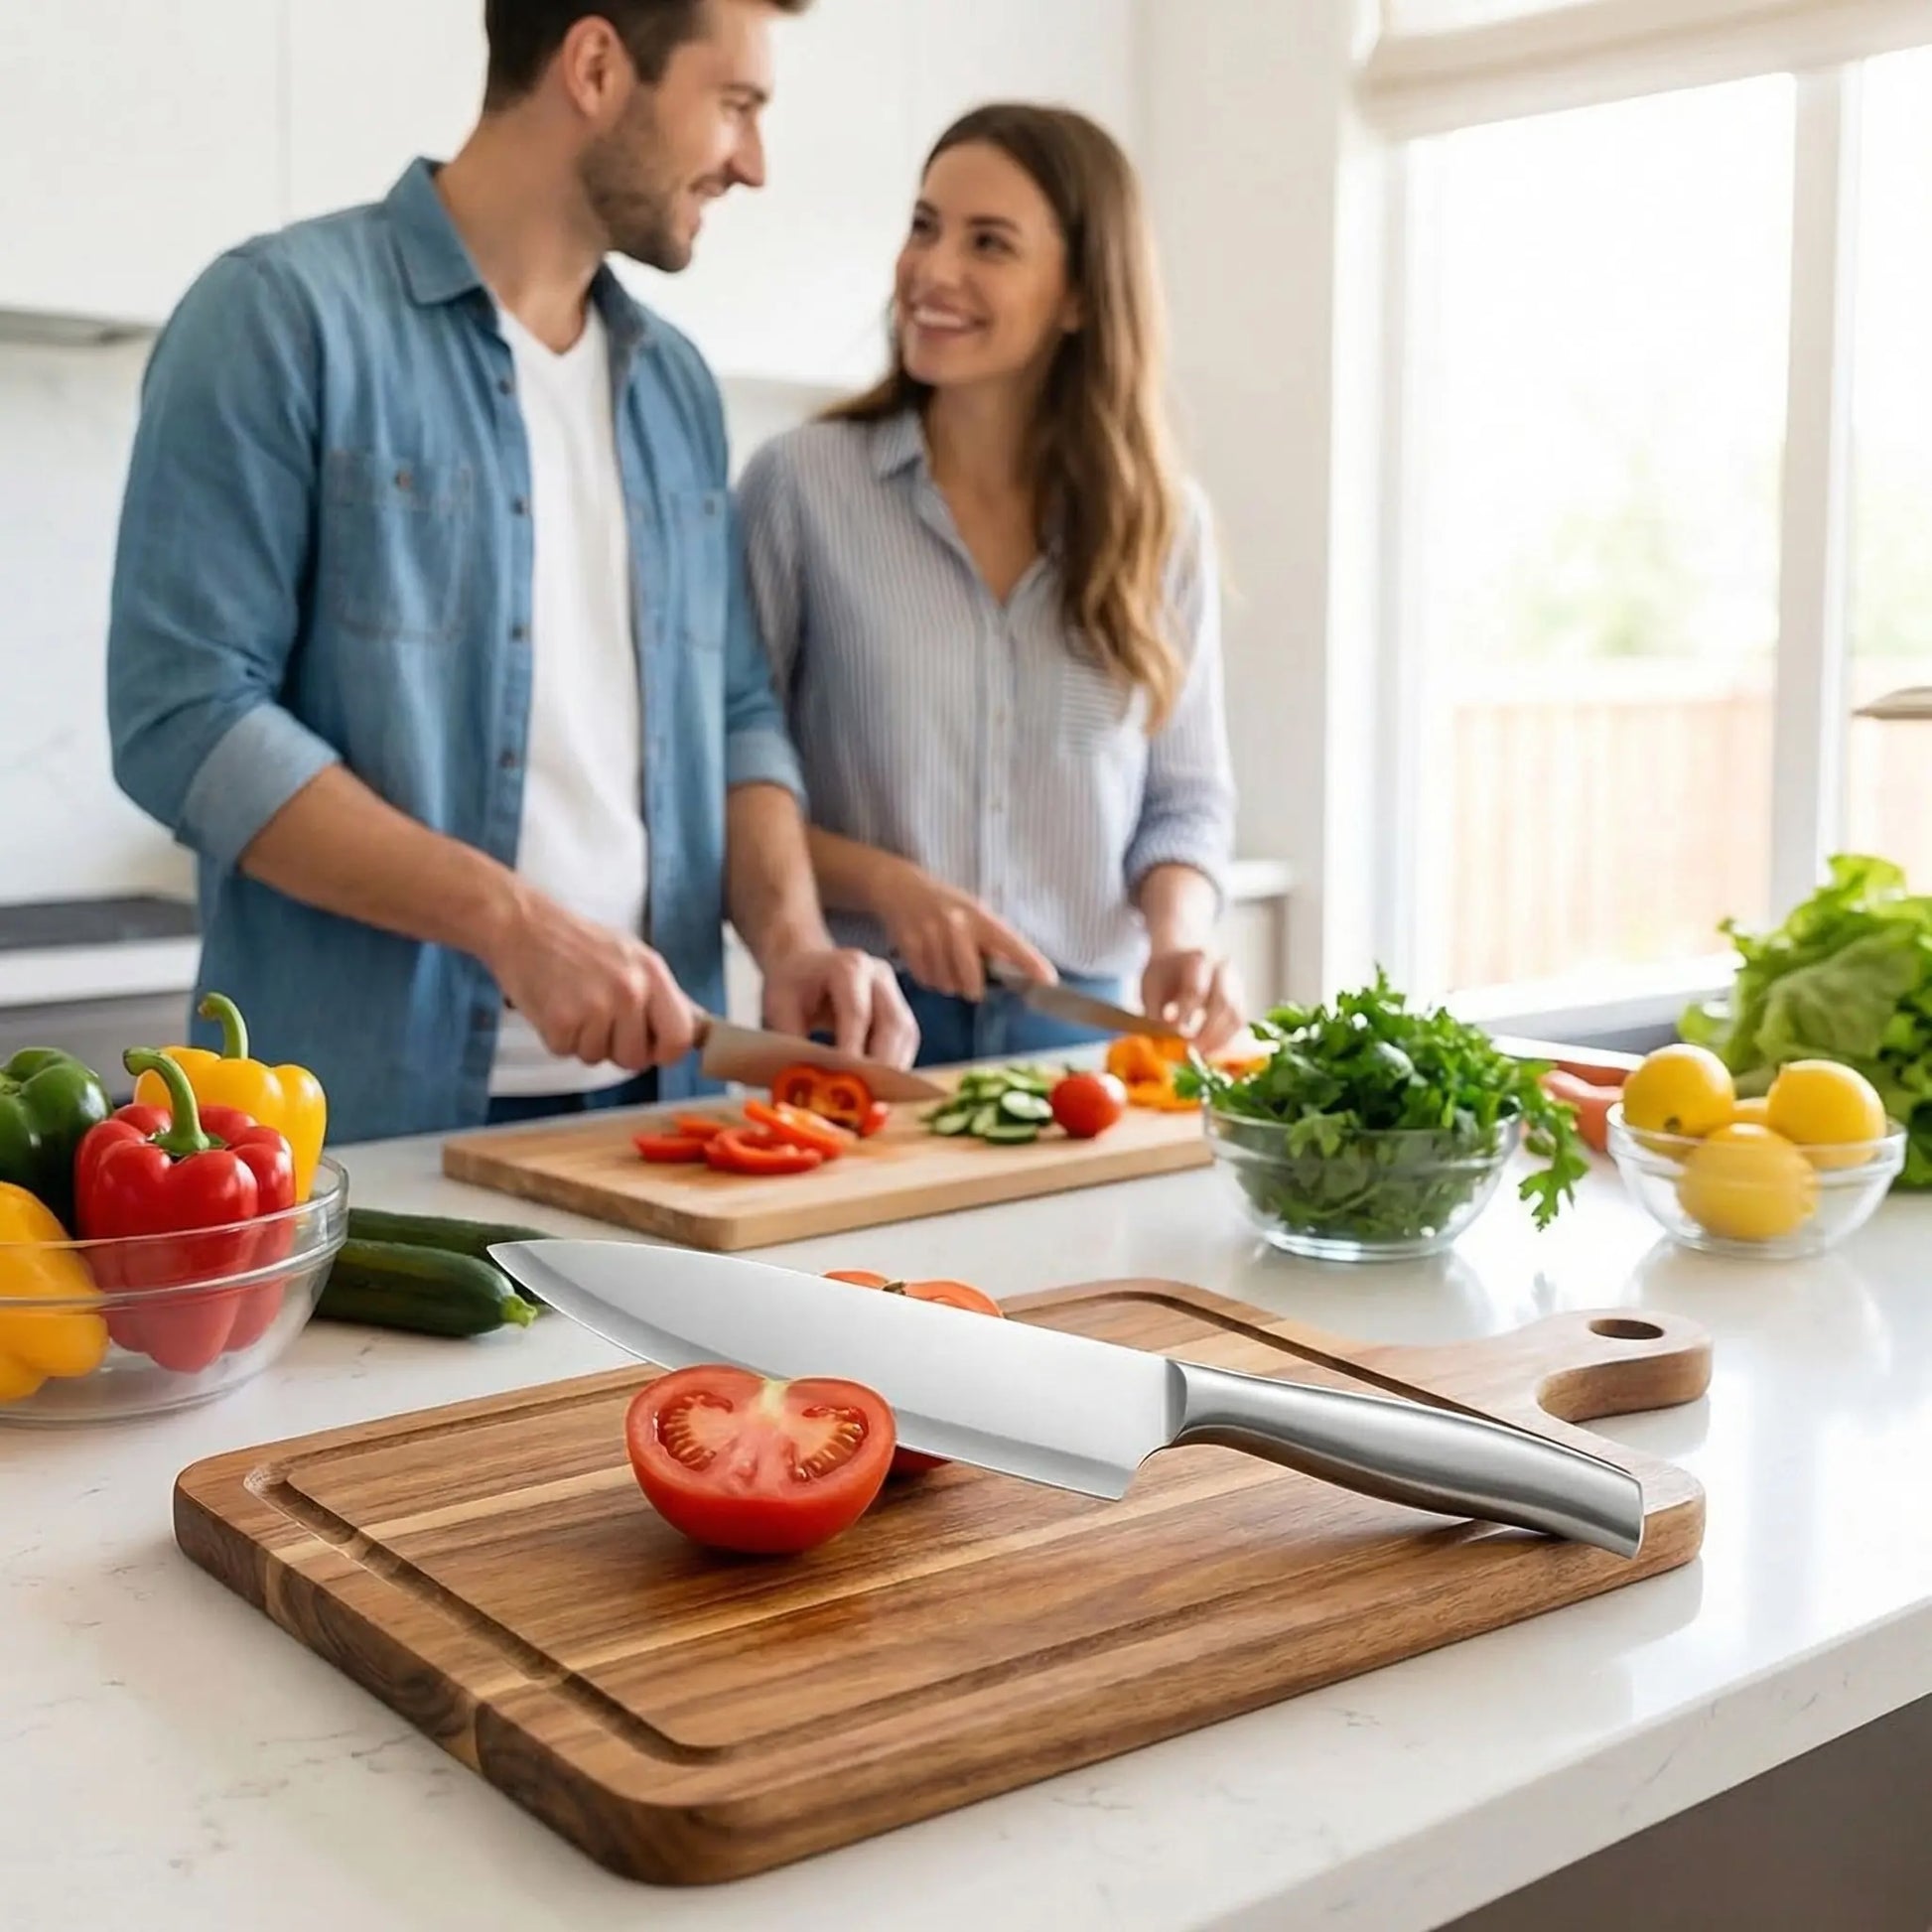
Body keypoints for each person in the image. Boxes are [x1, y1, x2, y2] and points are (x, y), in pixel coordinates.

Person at [104, 0, 915, 1146]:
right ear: (593, 66)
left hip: (660, 1114)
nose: (753, 162)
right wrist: (511, 922)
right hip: (361, 1128)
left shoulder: (675, 387)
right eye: (732, 104)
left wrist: (790, 940)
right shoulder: (279, 319)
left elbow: (732, 712)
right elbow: (184, 717)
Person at [737, 103, 1244, 1066]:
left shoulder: (1159, 523)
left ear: (1080, 297)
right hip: (861, 1025)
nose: (932, 269)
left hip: (1085, 1040)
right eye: (923, 226)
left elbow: (1185, 801)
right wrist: (891, 885)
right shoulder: (800, 486)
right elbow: (727, 774)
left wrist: (1179, 935)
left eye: (989, 243)